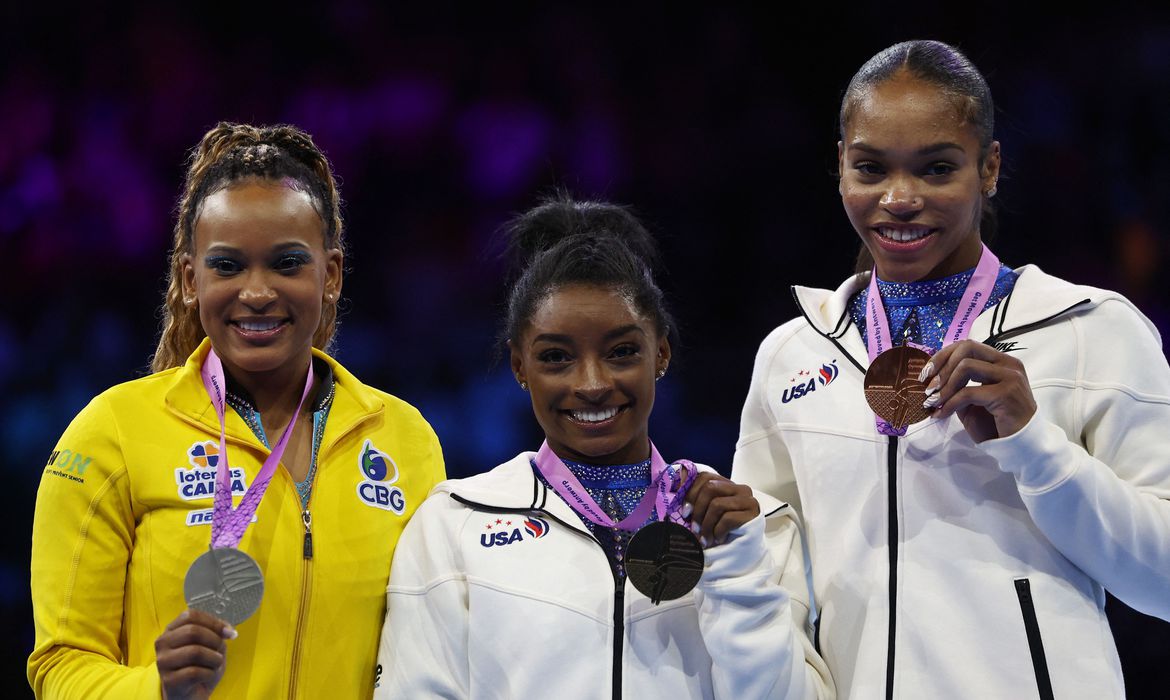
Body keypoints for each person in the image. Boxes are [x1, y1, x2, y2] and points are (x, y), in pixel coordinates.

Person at [732, 39, 1170, 699]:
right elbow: (773, 585)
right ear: (841, 166)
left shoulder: (1092, 331)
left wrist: (1035, 446)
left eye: (936, 169)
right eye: (870, 168)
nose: (899, 198)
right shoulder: (792, 357)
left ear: (989, 168)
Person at [28, 122, 446, 699]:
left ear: (330, 275)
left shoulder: (405, 440)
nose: (256, 292)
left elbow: (431, 658)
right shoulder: (113, 433)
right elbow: (60, 666)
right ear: (189, 279)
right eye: (227, 266)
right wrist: (156, 689)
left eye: (287, 263)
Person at [374, 195, 834, 698]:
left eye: (621, 352)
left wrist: (737, 574)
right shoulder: (454, 525)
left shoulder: (754, 526)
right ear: (519, 366)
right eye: (556, 357)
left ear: (661, 353)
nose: (592, 384)